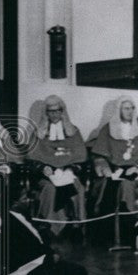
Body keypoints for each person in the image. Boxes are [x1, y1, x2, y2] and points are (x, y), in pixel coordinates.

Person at [26, 95, 88, 234]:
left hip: (68, 173)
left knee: (79, 189)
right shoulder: (38, 133)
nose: (54, 114)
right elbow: (32, 159)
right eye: (50, 111)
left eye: (57, 110)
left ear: (62, 111)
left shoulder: (73, 131)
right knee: (50, 189)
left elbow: (80, 157)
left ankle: (77, 225)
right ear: (46, 113)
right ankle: (50, 227)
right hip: (46, 176)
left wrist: (71, 169)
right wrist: (43, 168)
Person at [89, 96, 138, 215]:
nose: (130, 112)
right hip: (111, 172)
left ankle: (129, 223)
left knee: (126, 186)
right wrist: (106, 170)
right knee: (109, 186)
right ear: (118, 110)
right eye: (126, 109)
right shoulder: (107, 130)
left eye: (132, 108)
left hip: (132, 173)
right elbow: (98, 156)